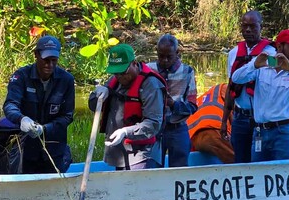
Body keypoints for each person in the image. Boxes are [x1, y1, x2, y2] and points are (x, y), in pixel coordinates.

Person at [230, 29, 289, 161]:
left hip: (284, 132)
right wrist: (254, 66)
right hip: (260, 131)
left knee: (285, 170)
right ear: (279, 46)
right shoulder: (263, 64)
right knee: (258, 170)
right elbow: (236, 78)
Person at [3, 35, 75, 173]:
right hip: (26, 148)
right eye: (46, 60)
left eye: (54, 60)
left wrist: (44, 129)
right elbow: (10, 105)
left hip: (54, 149)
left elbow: (67, 116)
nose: (50, 65)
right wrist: (22, 119)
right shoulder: (21, 77)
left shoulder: (66, 80)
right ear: (36, 55)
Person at [90, 44, 166, 170]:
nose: (120, 77)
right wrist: (96, 94)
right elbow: (94, 107)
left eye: (123, 72)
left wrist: (125, 132)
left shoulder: (151, 85)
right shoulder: (115, 81)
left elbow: (154, 124)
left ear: (134, 63)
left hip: (143, 154)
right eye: (116, 73)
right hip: (119, 154)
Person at [221, 10, 272, 163]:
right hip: (240, 116)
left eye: (253, 26)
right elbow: (231, 87)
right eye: (245, 26)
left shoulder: (271, 54)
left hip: (261, 118)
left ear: (261, 27)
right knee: (240, 160)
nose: (248, 30)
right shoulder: (234, 53)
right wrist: (224, 121)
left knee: (260, 160)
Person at [149, 34, 197, 167]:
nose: (164, 60)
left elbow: (192, 106)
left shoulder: (187, 72)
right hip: (154, 128)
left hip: (177, 128)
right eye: (161, 56)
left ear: (177, 53)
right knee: (152, 167)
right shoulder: (148, 70)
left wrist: (173, 104)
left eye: (169, 57)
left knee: (179, 169)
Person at [187, 83, 235, 164]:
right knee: (238, 162)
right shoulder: (226, 89)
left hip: (193, 138)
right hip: (213, 132)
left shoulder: (204, 97)